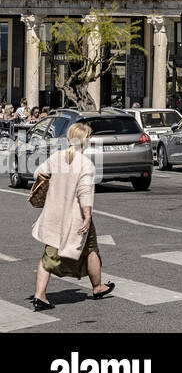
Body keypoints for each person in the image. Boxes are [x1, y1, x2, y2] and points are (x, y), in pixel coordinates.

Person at [30, 122, 114, 311]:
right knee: (54, 256)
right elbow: (84, 193)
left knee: (86, 248)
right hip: (74, 218)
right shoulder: (86, 164)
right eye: (89, 138)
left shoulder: (57, 157)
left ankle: (97, 287)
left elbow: (38, 173)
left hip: (53, 215)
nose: (91, 141)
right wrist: (87, 217)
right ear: (84, 141)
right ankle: (40, 295)